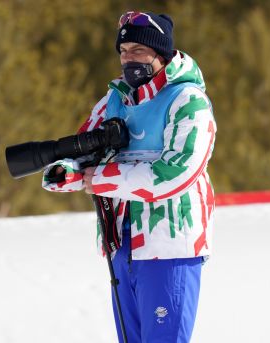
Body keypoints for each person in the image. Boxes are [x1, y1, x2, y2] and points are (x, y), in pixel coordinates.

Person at [43, 11, 216, 343]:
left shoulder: (188, 101)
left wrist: (102, 179)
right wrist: (70, 173)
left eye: (137, 50)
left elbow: (175, 174)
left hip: (169, 245)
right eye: (123, 52)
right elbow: (87, 151)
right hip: (120, 243)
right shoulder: (115, 99)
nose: (127, 60)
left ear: (160, 54)